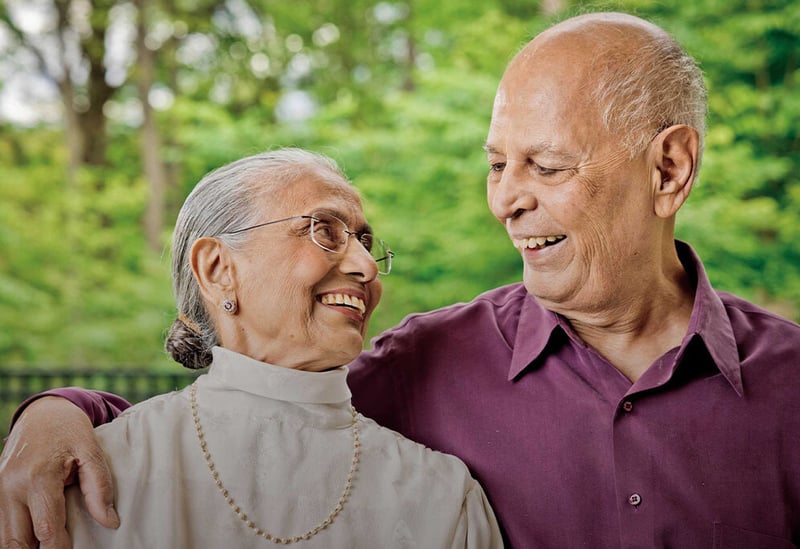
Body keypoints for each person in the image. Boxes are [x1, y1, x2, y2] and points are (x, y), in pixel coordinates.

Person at [2, 10, 800, 548]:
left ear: (669, 168)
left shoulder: (791, 386)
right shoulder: (427, 362)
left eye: (545, 165)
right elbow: (257, 408)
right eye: (496, 165)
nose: (506, 201)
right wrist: (57, 411)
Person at [0, 148, 503, 548]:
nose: (366, 268)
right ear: (218, 269)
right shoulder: (83, 479)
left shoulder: (440, 494)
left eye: (366, 242)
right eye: (323, 231)